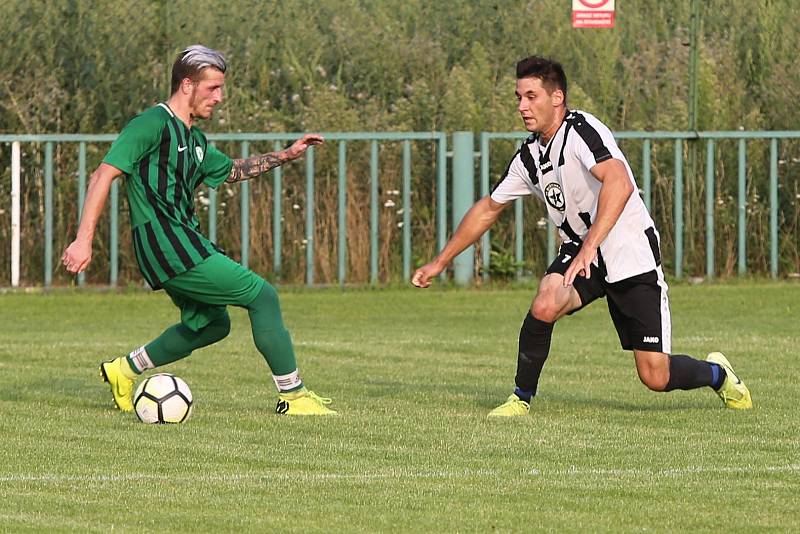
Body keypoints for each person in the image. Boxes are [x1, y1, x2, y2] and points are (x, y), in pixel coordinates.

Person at [412, 56, 752, 417]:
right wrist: (440, 262)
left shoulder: (581, 130)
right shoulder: (530, 156)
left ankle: (718, 375)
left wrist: (590, 247)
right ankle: (520, 398)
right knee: (545, 303)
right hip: (582, 251)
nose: (522, 106)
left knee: (654, 375)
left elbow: (618, 182)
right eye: (518, 97)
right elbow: (489, 208)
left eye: (531, 96)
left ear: (556, 97)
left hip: (627, 248)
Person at [62, 44, 336, 416]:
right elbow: (103, 175)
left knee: (211, 324)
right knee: (263, 296)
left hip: (180, 242)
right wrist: (83, 240)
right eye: (213, 88)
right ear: (187, 85)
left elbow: (234, 170)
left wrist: (286, 155)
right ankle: (295, 395)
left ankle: (124, 370)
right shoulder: (151, 124)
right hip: (168, 243)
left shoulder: (195, 141)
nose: (220, 98)